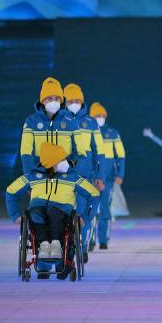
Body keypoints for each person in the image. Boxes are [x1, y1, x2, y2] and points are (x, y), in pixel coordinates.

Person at [6, 142, 99, 279]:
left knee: (54, 212)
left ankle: (56, 245)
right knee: (35, 213)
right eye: (61, 159)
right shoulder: (33, 176)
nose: (65, 162)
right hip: (38, 211)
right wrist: (15, 215)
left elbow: (94, 194)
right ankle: (43, 245)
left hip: (62, 213)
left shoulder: (72, 177)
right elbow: (10, 191)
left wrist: (85, 217)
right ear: (52, 163)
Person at [61, 83, 104, 261]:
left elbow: (99, 151)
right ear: (65, 101)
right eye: (71, 100)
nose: (74, 103)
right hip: (63, 176)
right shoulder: (58, 120)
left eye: (77, 100)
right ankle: (66, 247)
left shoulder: (90, 122)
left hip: (85, 175)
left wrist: (100, 176)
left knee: (83, 213)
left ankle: (82, 246)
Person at [19, 77, 76, 176]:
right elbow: (26, 152)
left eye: (57, 98)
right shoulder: (31, 121)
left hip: (65, 176)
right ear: (43, 100)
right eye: (49, 98)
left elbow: (80, 152)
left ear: (61, 101)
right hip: (39, 175)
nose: (54, 102)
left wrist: (70, 165)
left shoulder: (71, 121)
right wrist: (29, 177)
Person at [90, 101, 126, 250]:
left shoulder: (112, 133)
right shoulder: (87, 132)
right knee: (90, 210)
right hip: (91, 179)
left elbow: (121, 155)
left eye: (102, 115)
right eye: (97, 115)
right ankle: (89, 240)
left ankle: (103, 240)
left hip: (109, 179)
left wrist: (120, 174)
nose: (100, 118)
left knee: (105, 209)